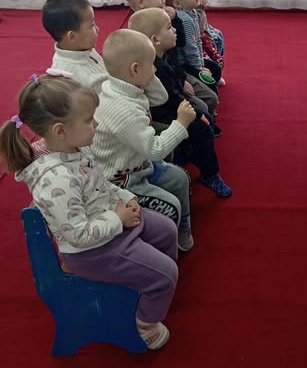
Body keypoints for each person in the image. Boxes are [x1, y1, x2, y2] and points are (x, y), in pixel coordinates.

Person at [0, 72, 179, 350]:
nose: (96, 124)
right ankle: (146, 323)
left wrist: (125, 196)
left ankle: (152, 288)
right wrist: (118, 218)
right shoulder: (56, 181)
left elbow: (99, 183)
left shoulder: (73, 148)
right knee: (166, 274)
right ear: (60, 130)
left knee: (166, 230)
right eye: (88, 120)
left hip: (109, 222)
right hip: (93, 250)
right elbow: (79, 235)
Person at [90, 28, 197, 251]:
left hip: (137, 164)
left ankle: (182, 228)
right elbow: (155, 150)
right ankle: (165, 246)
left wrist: (146, 75)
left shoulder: (124, 86)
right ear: (135, 69)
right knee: (172, 206)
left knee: (180, 178)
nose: (156, 69)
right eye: (152, 64)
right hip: (120, 179)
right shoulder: (122, 110)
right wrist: (181, 123)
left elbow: (160, 97)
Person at [128, 8, 232, 197]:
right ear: (155, 40)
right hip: (168, 113)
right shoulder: (155, 67)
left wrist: (184, 82)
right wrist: (198, 115)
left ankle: (191, 150)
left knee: (206, 117)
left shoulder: (164, 53)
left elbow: (177, 72)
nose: (175, 29)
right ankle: (210, 174)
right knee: (203, 128)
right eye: (169, 27)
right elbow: (172, 100)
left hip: (176, 103)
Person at [42, 0, 167, 107]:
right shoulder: (73, 76)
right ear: (72, 37)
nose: (97, 29)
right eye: (91, 25)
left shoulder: (82, 49)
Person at [122, 0, 219, 117]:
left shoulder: (163, 16)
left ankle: (206, 118)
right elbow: (161, 73)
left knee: (210, 97)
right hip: (166, 85)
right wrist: (182, 83)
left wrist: (175, 19)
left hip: (176, 72)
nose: (163, 1)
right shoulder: (138, 30)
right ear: (140, 2)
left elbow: (179, 43)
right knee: (203, 106)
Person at [162, 0, 222, 91]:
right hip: (184, 64)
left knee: (215, 68)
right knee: (209, 81)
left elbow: (198, 40)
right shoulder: (185, 20)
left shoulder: (192, 12)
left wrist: (201, 64)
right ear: (177, 4)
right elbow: (190, 48)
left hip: (192, 60)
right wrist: (199, 68)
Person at [173, 0, 226, 82]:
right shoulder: (185, 17)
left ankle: (214, 74)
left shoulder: (191, 8)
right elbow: (193, 41)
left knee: (217, 36)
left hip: (199, 41)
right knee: (215, 40)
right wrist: (199, 68)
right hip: (191, 55)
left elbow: (201, 29)